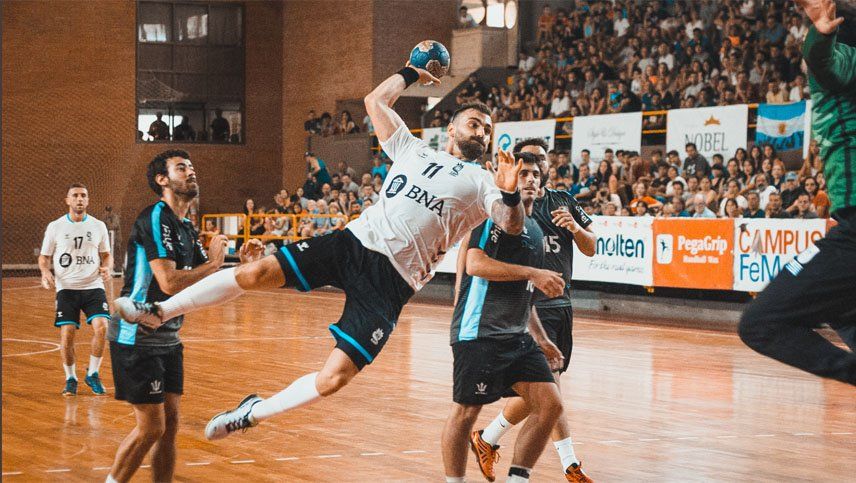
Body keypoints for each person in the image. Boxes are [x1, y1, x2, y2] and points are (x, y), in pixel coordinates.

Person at [115, 65, 530, 443]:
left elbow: (510, 224)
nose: (482, 132)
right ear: (451, 128)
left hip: (392, 284)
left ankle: (252, 413)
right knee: (255, 273)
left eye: (487, 129)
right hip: (353, 244)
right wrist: (411, 72)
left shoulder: (484, 182)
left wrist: (510, 194)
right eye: (474, 123)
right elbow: (375, 101)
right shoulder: (414, 148)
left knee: (334, 379)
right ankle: (160, 312)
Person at [104, 150, 264, 482]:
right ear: (162, 180)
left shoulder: (187, 228)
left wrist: (243, 266)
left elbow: (206, 281)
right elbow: (168, 281)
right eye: (181, 168)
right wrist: (215, 264)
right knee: (151, 428)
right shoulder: (154, 217)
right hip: (137, 335)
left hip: (169, 337)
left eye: (191, 167)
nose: (191, 172)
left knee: (171, 425)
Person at [740, 0, 856, 386]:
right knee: (841, 308)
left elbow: (828, 64)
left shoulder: (844, 60)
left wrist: (819, 37)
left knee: (760, 323)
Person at [468, 139, 596, 483]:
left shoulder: (563, 201)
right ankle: (569, 464)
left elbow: (591, 247)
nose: (532, 172)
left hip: (562, 306)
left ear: (547, 168)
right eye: (525, 166)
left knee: (544, 391)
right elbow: (476, 260)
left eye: (539, 163)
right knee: (548, 388)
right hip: (529, 310)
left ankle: (487, 438)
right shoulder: (509, 209)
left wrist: (576, 228)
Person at [443, 152, 565, 483]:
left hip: (516, 337)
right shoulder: (492, 216)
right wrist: (533, 272)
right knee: (465, 413)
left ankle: (517, 479)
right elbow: (475, 264)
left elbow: (526, 292)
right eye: (523, 173)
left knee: (550, 405)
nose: (530, 179)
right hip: (479, 332)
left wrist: (541, 338)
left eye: (535, 174)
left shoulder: (536, 231)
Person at [39, 184, 112, 396]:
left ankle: (93, 373)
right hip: (67, 288)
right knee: (68, 333)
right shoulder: (56, 226)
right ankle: (70, 378)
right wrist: (45, 271)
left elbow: (106, 254)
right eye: (75, 195)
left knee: (102, 328)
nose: (79, 199)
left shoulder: (98, 226)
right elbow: (44, 257)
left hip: (93, 286)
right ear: (68, 200)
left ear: (87, 200)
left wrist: (107, 267)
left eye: (83, 195)